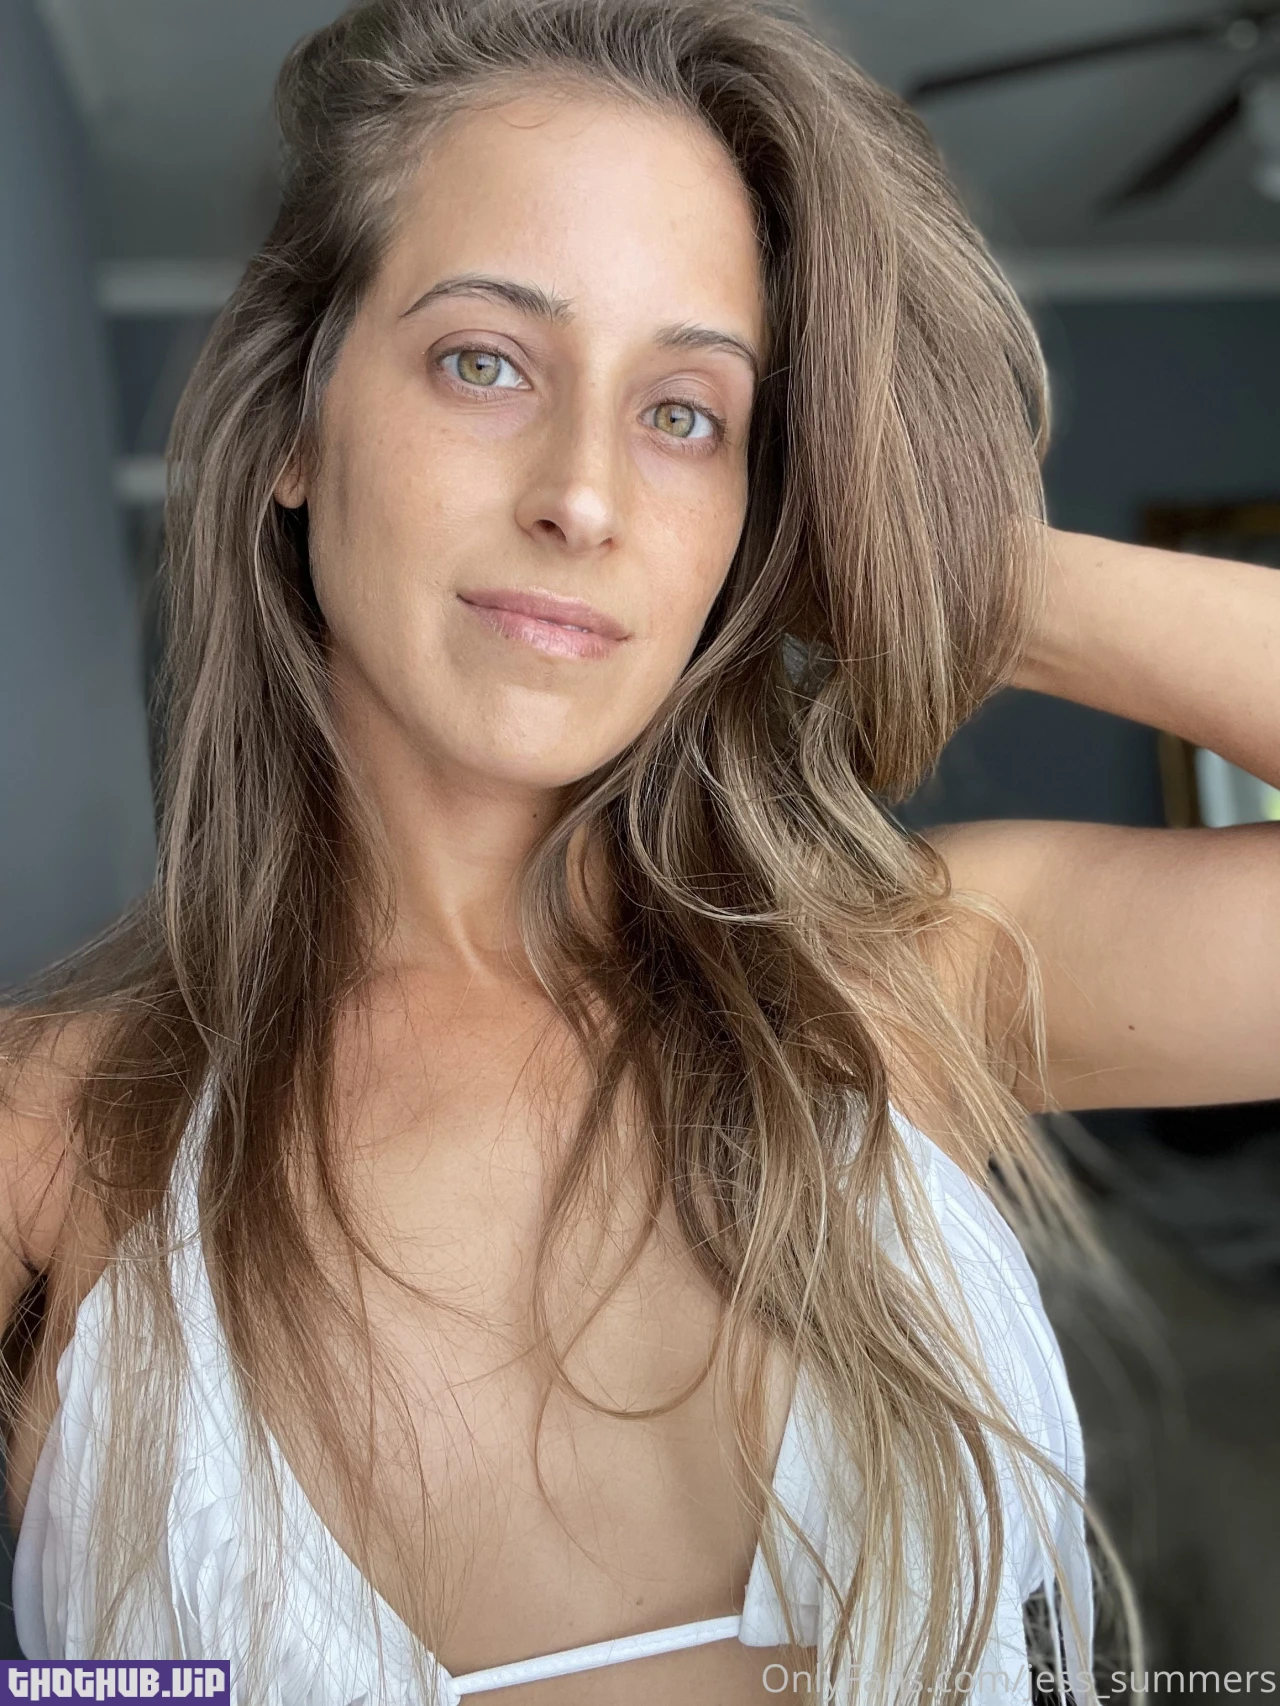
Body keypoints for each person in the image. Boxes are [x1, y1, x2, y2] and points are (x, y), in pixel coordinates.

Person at [1, 0, 1277, 1701]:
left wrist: (942, 565)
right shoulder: (51, 1146)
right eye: (484, 361)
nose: (585, 496)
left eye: (686, 414)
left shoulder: (911, 987)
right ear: (297, 427)